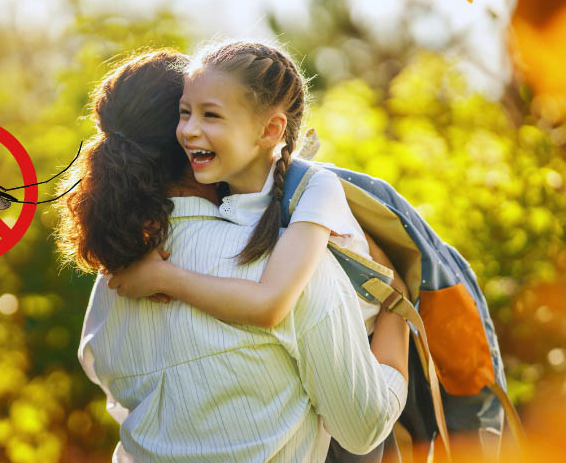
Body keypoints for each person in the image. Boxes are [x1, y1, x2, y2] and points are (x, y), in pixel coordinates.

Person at [56, 48, 410, 462]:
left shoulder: (118, 277)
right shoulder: (292, 266)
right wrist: (398, 308)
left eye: (211, 114)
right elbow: (364, 427)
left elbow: (120, 398)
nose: (192, 128)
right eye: (186, 113)